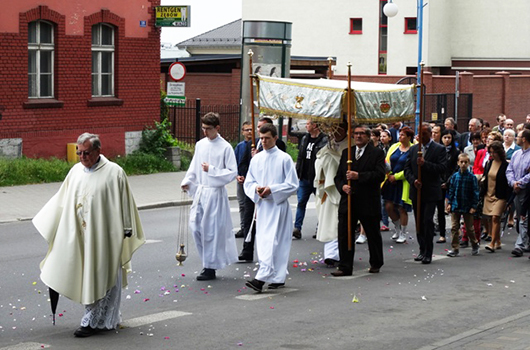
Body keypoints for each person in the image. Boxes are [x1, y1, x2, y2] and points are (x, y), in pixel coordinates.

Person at [33, 133, 145, 337]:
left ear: (97, 151)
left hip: (105, 236)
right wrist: (53, 224)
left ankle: (92, 321)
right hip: (80, 235)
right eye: (79, 152)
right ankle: (99, 319)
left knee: (102, 274)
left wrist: (127, 227)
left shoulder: (114, 172)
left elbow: (125, 201)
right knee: (87, 276)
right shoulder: (76, 171)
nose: (82, 157)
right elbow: (61, 200)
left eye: (86, 153)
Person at [181, 112, 238, 281]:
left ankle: (210, 266)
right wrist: (188, 180)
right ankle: (207, 262)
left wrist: (212, 170)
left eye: (208, 129)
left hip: (215, 193)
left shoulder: (225, 147)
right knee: (196, 226)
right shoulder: (200, 145)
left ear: (217, 128)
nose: (205, 132)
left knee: (211, 231)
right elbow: (194, 166)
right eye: (203, 128)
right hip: (201, 190)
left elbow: (232, 172)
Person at [244, 124, 298, 292]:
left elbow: (292, 184)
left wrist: (272, 189)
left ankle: (264, 278)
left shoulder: (284, 159)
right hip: (263, 207)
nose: (264, 142)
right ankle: (274, 276)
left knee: (277, 242)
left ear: (275, 138)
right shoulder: (256, 159)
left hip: (278, 206)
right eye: (261, 138)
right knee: (264, 242)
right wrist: (256, 189)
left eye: (267, 138)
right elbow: (249, 181)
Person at [332, 125, 386, 276]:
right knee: (344, 233)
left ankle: (376, 262)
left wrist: (359, 176)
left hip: (367, 200)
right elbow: (338, 176)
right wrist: (342, 186)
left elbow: (379, 175)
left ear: (368, 137)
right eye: (355, 134)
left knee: (372, 232)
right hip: (348, 200)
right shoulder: (346, 153)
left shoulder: (377, 153)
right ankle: (345, 266)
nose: (358, 136)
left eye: (362, 134)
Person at [237, 117, 286, 262]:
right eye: (258, 128)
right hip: (254, 189)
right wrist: (242, 175)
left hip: (269, 193)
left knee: (265, 225)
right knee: (248, 219)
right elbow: (244, 163)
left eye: (262, 127)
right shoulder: (250, 145)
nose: (259, 131)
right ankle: (247, 249)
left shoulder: (279, 146)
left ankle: (269, 257)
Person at [404, 124, 447, 264]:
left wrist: (425, 164)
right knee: (418, 222)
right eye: (419, 134)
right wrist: (413, 181)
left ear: (429, 134)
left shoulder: (439, 149)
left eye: (424, 134)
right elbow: (407, 169)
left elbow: (442, 168)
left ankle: (429, 251)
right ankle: (422, 249)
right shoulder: (413, 149)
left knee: (427, 221)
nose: (421, 137)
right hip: (417, 190)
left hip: (431, 191)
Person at [314, 124, 349, 267]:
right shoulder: (328, 144)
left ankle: (336, 254)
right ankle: (330, 254)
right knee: (327, 221)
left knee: (338, 222)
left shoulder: (349, 145)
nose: (334, 133)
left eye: (337, 129)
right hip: (326, 189)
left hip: (340, 188)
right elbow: (319, 160)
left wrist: (331, 156)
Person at [293, 119, 328, 239]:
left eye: (308, 124)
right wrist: (298, 171)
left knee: (320, 203)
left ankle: (321, 227)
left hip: (317, 177)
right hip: (304, 177)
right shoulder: (304, 138)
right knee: (301, 202)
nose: (306, 126)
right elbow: (301, 156)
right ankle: (297, 228)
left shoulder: (324, 139)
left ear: (315, 126)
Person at [382, 127, 414, 244]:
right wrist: (389, 174)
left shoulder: (413, 149)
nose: (400, 137)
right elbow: (387, 161)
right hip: (390, 180)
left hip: (403, 182)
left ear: (409, 137)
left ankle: (403, 233)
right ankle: (397, 228)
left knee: (402, 207)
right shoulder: (394, 147)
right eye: (399, 134)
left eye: (403, 135)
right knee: (389, 206)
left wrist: (396, 176)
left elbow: (410, 168)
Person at [446, 153, 480, 257]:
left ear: (469, 163)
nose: (463, 164)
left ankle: (474, 243)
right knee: (454, 227)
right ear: (458, 163)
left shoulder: (472, 177)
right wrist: (449, 203)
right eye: (461, 162)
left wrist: (474, 206)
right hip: (456, 204)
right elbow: (451, 190)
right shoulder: (455, 177)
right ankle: (455, 248)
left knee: (469, 228)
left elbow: (475, 192)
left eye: (465, 162)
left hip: (467, 205)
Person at [482, 141, 512, 252]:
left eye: (494, 152)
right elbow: (486, 177)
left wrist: (509, 201)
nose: (492, 154)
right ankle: (498, 240)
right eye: (490, 152)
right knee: (490, 218)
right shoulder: (488, 163)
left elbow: (507, 183)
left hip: (500, 196)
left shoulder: (506, 165)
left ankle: (492, 243)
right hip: (488, 194)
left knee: (495, 217)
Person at [507, 129, 530, 257]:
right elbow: (509, 170)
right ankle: (526, 241)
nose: (516, 138)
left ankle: (519, 245)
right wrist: (513, 182)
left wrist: (520, 183)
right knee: (521, 217)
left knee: (524, 218)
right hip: (516, 191)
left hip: (527, 190)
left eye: (518, 136)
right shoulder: (516, 154)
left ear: (524, 139)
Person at [436, 129, 460, 243]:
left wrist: (448, 182)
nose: (447, 140)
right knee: (440, 209)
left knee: (454, 207)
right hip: (439, 182)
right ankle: (442, 233)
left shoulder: (456, 152)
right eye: (445, 137)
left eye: (449, 138)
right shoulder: (438, 150)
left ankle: (456, 230)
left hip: (452, 181)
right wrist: (441, 181)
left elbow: (456, 168)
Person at [234, 121, 253, 238]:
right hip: (241, 179)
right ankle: (243, 227)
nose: (249, 132)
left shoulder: (256, 145)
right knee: (242, 204)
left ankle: (251, 226)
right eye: (247, 130)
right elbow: (234, 163)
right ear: (242, 132)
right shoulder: (240, 146)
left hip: (252, 180)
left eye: (251, 129)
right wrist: (237, 176)